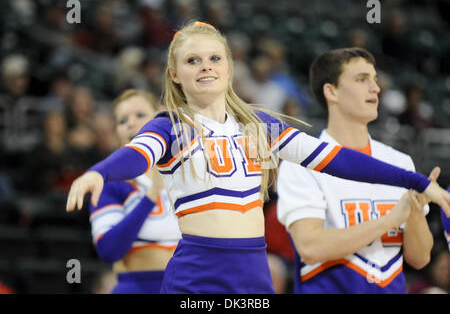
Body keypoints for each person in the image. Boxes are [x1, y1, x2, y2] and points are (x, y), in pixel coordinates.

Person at [66, 22, 450, 294]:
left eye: (214, 58)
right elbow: (137, 153)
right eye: (193, 61)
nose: (206, 67)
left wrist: (416, 182)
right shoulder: (169, 125)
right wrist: (100, 172)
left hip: (253, 274)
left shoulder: (261, 126)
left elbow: (337, 159)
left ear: (229, 68)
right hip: (197, 273)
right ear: (175, 74)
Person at [277, 47, 438, 294]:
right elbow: (311, 248)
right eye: (362, 79)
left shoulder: (400, 162)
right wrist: (391, 220)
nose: (375, 88)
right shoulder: (302, 163)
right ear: (331, 91)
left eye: (374, 79)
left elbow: (420, 258)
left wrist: (415, 213)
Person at [89, 89, 181, 293]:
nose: (130, 123)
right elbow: (109, 250)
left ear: (160, 118)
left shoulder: (188, 174)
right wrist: (151, 195)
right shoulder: (111, 182)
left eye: (140, 115)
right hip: (139, 287)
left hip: (193, 289)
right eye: (122, 121)